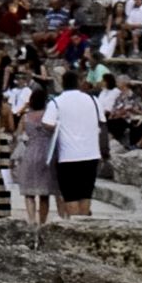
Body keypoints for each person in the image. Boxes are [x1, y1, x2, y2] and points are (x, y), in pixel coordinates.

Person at [41, 69, 104, 219]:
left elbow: (47, 124)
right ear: (79, 83)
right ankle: (84, 225)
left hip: (68, 156)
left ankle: (74, 225)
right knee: (86, 193)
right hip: (91, 153)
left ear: (63, 84)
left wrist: (59, 125)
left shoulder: (56, 102)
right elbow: (102, 121)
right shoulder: (93, 100)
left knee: (70, 195)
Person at [9, 84, 57, 226]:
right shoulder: (48, 116)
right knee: (44, 193)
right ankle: (42, 222)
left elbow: (18, 136)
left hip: (30, 152)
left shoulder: (25, 117)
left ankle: (31, 220)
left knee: (29, 192)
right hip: (46, 153)